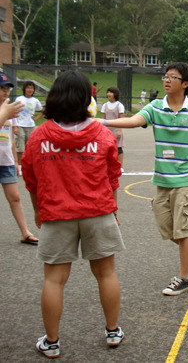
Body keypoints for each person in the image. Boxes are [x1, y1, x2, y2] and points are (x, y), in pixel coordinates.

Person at [21, 71, 125, 358]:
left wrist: (38, 212)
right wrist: (113, 209)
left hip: (56, 213)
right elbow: (113, 175)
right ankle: (113, 330)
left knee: (54, 279)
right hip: (98, 211)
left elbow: (31, 179)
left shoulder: (40, 136)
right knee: (106, 274)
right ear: (86, 99)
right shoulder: (101, 133)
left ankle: (52, 342)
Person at [100, 63, 188, 296]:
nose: (167, 80)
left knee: (184, 229)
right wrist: (102, 122)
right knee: (169, 230)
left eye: (173, 77)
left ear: (185, 84)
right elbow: (134, 121)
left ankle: (183, 278)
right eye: (166, 76)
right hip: (163, 179)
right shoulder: (155, 107)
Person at [0, 73, 39, 246]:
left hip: (6, 160)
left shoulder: (10, 110)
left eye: (7, 88)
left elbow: (8, 138)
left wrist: (15, 161)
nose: (5, 92)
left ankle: (25, 232)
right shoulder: (6, 111)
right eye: (2, 88)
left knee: (15, 197)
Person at [14, 81, 43, 172]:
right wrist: (14, 126)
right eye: (28, 88)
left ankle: (29, 166)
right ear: (24, 89)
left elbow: (42, 111)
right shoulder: (19, 99)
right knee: (21, 145)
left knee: (30, 146)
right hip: (20, 124)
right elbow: (14, 111)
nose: (30, 90)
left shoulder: (35, 101)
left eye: (31, 88)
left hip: (30, 125)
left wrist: (36, 118)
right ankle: (20, 166)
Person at [101, 87, 126, 167]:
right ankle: (108, 165)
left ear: (115, 94)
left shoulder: (119, 105)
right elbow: (103, 119)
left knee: (118, 148)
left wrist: (119, 131)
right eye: (108, 92)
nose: (108, 94)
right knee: (106, 148)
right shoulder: (105, 105)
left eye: (111, 92)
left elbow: (121, 119)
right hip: (107, 129)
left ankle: (119, 166)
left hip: (116, 129)